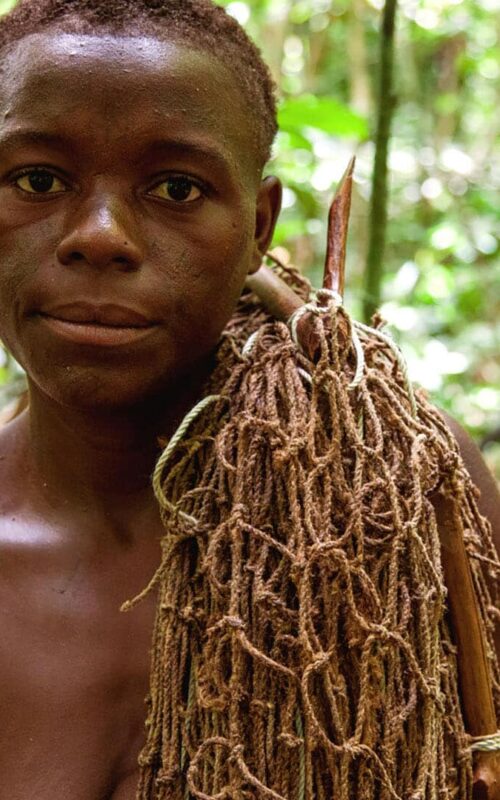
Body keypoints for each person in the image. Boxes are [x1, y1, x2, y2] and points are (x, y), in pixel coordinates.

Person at [0, 1, 498, 799]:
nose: (100, 235)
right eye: (37, 179)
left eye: (176, 188)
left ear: (258, 227)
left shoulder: (399, 497)